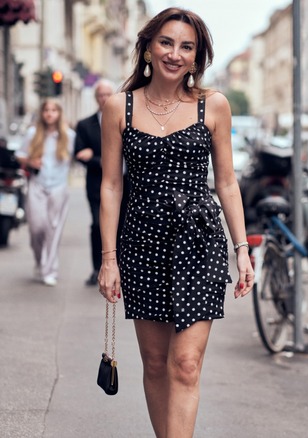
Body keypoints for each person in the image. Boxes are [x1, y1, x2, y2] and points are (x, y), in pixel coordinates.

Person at [97, 8, 253, 437]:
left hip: (198, 243)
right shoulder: (119, 108)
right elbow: (111, 187)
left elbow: (226, 183)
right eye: (166, 42)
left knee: (184, 364)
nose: (175, 53)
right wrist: (108, 258)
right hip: (141, 243)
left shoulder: (213, 105)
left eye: (187, 46)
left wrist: (242, 250)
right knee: (153, 362)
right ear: (148, 46)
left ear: (197, 57)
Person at [15, 98, 75, 286]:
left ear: (59, 113)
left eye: (53, 110)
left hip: (59, 187)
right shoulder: (33, 133)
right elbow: (19, 154)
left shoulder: (69, 136)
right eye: (46, 110)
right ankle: (39, 259)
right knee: (36, 228)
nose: (49, 113)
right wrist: (30, 162)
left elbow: (77, 156)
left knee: (53, 229)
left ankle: (49, 270)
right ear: (42, 113)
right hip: (37, 185)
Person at [74, 79, 115, 285]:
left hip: (125, 184)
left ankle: (120, 269)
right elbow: (79, 155)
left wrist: (94, 157)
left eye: (108, 94)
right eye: (101, 95)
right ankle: (97, 268)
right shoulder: (85, 125)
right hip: (96, 185)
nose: (104, 98)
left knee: (124, 227)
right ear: (96, 98)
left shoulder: (125, 120)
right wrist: (94, 159)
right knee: (98, 225)